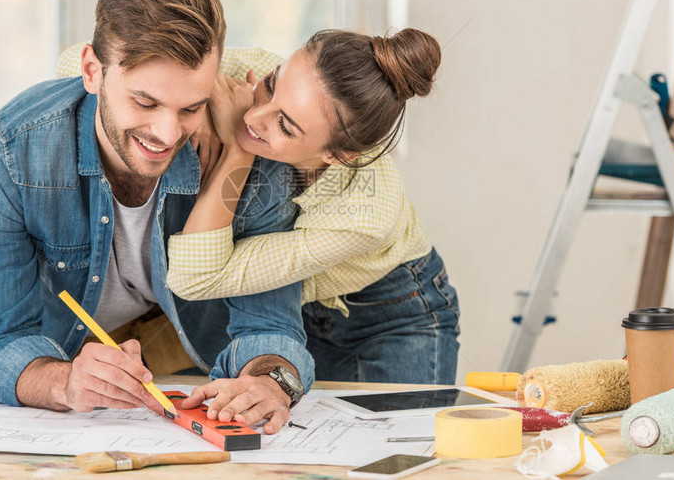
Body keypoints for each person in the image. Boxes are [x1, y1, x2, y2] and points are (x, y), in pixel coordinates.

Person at [0, 0, 314, 434]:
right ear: (92, 71)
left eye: (190, 108)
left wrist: (273, 383)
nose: (167, 134)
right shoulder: (14, 150)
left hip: (192, 378)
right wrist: (65, 383)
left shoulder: (255, 161)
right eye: (145, 102)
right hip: (62, 376)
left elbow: (270, 328)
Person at [166, 28, 461, 384]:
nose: (252, 117)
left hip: (393, 316)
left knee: (400, 437)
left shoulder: (365, 217)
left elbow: (193, 279)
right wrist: (199, 93)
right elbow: (99, 63)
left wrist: (238, 148)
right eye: (271, 86)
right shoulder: (258, 70)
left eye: (285, 126)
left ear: (338, 155)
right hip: (297, 314)